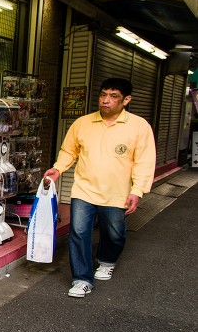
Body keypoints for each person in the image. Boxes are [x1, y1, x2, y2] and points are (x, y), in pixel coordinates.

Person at [43, 78, 155, 298]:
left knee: (114, 234)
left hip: (118, 193)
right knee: (79, 232)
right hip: (84, 190)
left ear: (126, 100)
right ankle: (82, 279)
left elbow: (144, 161)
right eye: (103, 94)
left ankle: (107, 260)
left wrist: (137, 190)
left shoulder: (139, 126)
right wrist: (58, 169)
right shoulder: (83, 123)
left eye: (113, 96)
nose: (106, 101)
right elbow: (69, 151)